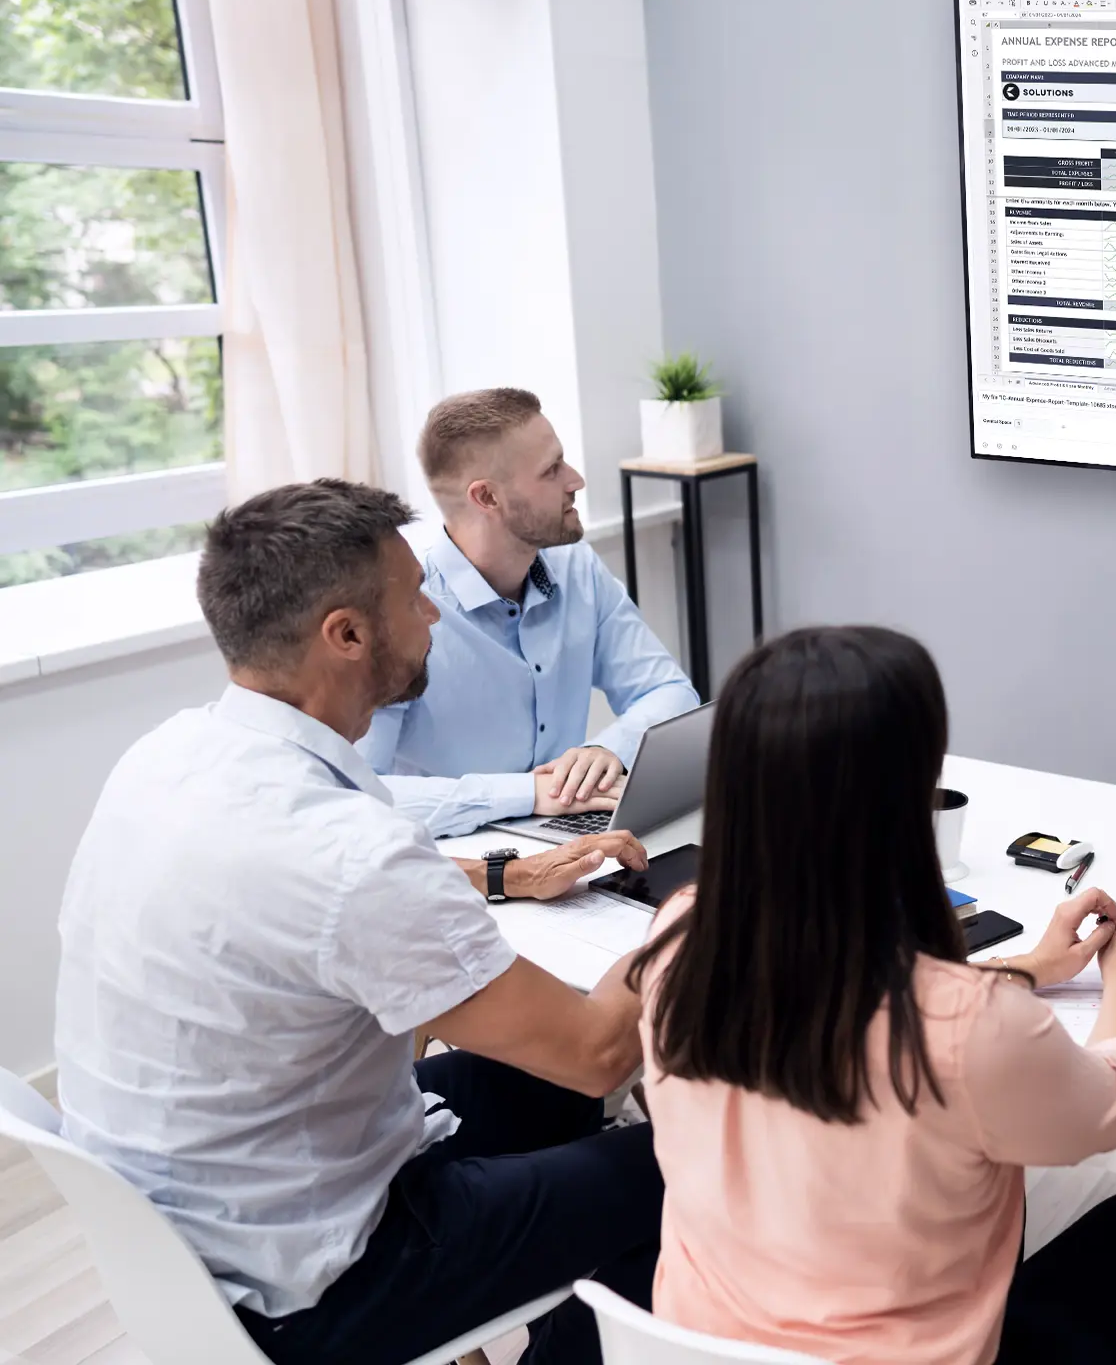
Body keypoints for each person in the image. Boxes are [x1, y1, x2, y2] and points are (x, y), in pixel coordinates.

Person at [55, 479, 666, 1365]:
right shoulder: (346, 851)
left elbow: (309, 903)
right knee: (683, 1165)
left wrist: (504, 871)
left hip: (204, 1232)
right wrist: (704, 911)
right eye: (415, 594)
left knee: (548, 1091)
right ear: (345, 634)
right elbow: (599, 1048)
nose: (434, 615)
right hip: (321, 1285)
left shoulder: (170, 759)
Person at [634, 625, 1116, 1365]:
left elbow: (849, 1000)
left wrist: (1026, 968)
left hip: (698, 1343)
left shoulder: (680, 938)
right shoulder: (966, 1027)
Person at [358, 388, 700, 837]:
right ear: (487, 498)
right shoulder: (400, 606)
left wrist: (609, 749)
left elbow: (670, 692)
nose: (575, 480)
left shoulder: (577, 568)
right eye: (551, 470)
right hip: (457, 860)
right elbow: (362, 792)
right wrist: (525, 793)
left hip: (575, 835)